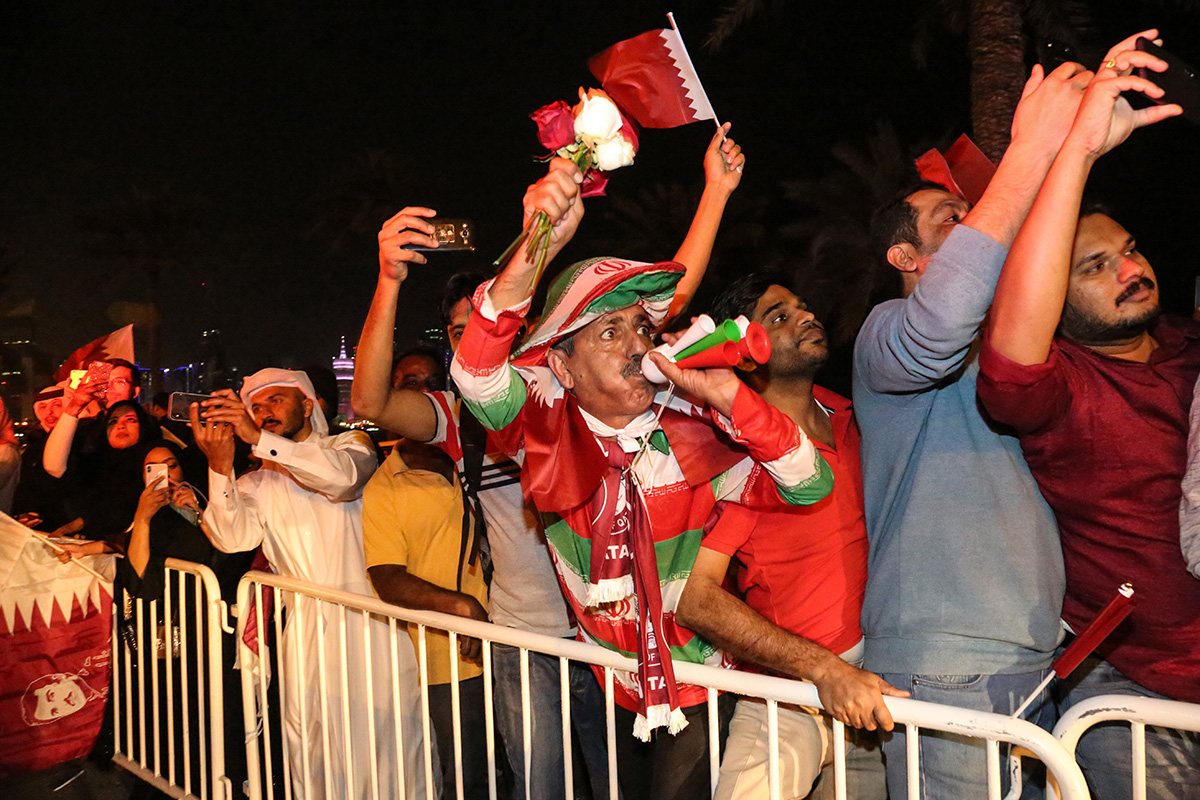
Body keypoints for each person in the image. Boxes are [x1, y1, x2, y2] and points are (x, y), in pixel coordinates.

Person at [353, 125, 747, 800]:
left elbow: (662, 303)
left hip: (627, 651)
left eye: (482, 327)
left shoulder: (612, 392)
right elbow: (373, 400)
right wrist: (393, 280)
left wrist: (715, 191)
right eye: (458, 335)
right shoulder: (487, 419)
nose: (472, 343)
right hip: (536, 640)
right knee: (548, 785)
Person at [450, 156, 832, 800]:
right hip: (612, 683)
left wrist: (734, 401)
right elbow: (476, 371)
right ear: (563, 368)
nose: (636, 345)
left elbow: (809, 484)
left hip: (706, 685)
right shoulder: (545, 428)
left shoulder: (695, 422)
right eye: (609, 331)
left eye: (641, 328)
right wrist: (539, 241)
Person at [852, 55, 1098, 799]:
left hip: (1033, 656)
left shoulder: (1017, 347)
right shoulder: (885, 333)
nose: (978, 226)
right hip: (947, 661)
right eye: (951, 221)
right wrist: (1028, 156)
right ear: (905, 257)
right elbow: (939, 326)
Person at [976, 34, 1200, 800]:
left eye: (1130, 250)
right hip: (1134, 694)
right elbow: (1009, 361)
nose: (1131, 270)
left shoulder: (1187, 347)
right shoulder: (1062, 387)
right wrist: (1074, 153)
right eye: (1095, 267)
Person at [679, 273, 905, 800]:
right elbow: (694, 598)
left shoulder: (851, 415)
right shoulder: (740, 453)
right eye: (779, 316)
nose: (806, 316)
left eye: (802, 307)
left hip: (874, 689)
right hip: (788, 699)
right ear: (743, 353)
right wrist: (824, 671)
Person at [191, 368, 430, 800]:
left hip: (370, 622)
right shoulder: (256, 481)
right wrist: (219, 467)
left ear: (307, 404)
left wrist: (257, 439)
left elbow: (341, 481)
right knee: (312, 741)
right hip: (303, 629)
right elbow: (232, 538)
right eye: (255, 407)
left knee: (384, 736)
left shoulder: (349, 446)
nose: (264, 412)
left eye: (275, 400)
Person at [362, 402, 490, 800]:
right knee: (469, 779)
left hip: (515, 637)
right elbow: (387, 578)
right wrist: (462, 607)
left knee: (532, 767)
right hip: (449, 655)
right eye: (410, 387)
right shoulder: (384, 486)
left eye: (432, 381)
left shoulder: (478, 457)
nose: (423, 394)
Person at [114, 442, 255, 798]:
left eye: (171, 465)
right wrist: (143, 516)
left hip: (212, 632)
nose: (164, 475)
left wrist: (199, 514)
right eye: (152, 468)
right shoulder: (143, 516)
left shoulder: (202, 506)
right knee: (171, 717)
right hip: (169, 641)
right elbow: (139, 580)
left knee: (216, 716)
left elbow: (227, 557)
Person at [46, 397, 163, 554]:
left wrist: (88, 549)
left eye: (130, 420)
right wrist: (67, 529)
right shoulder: (95, 465)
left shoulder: (154, 464)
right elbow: (98, 511)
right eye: (113, 422)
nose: (120, 426)